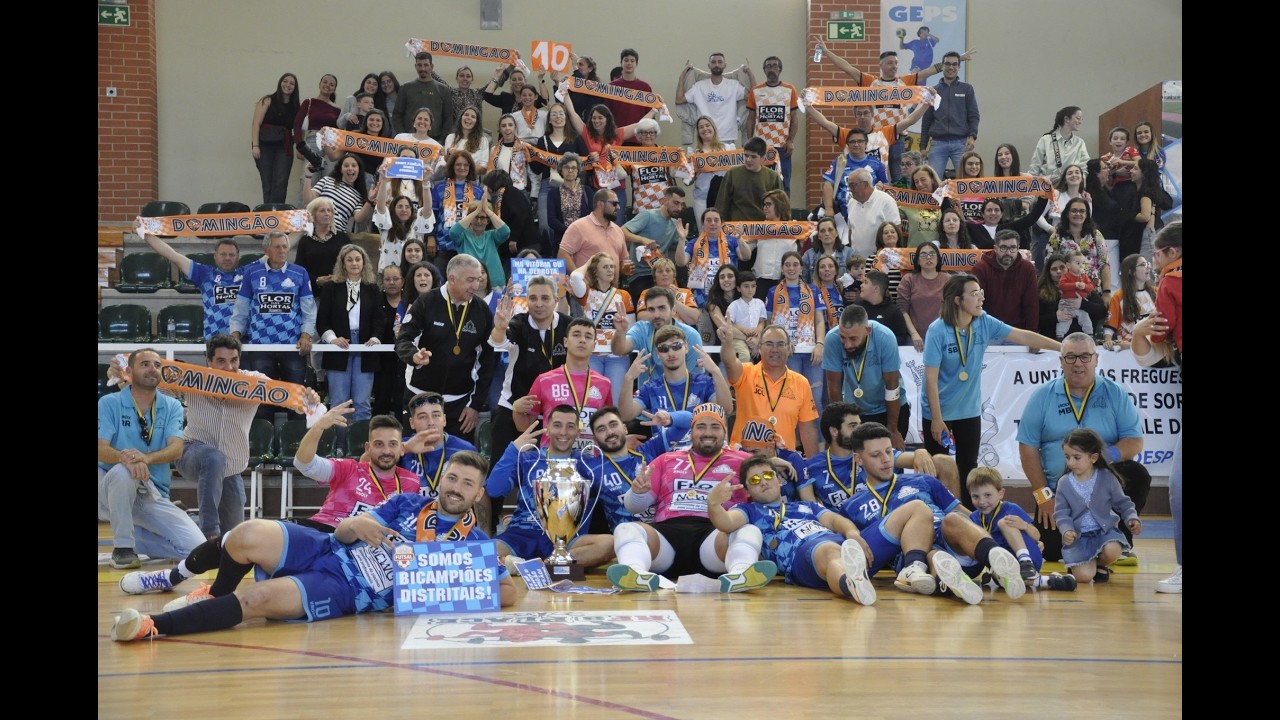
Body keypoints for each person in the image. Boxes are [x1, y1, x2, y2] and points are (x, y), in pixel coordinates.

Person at [110, 452, 513, 642]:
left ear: (479, 494)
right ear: (442, 480)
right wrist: (357, 525)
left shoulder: (475, 543)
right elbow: (345, 532)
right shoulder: (408, 502)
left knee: (256, 599)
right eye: (452, 479)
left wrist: (446, 582)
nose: (456, 488)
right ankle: (214, 593)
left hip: (344, 589)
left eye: (467, 484)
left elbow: (509, 590)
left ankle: (151, 626)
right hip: (327, 547)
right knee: (246, 533)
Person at [838, 422, 1026, 604]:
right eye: (876, 455)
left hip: (955, 542)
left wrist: (1007, 533)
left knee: (953, 519)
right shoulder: (852, 506)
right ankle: (955, 582)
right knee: (932, 554)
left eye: (888, 451)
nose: (886, 459)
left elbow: (967, 515)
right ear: (858, 459)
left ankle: (995, 556)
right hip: (913, 556)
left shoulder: (923, 480)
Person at [605, 403, 779, 592]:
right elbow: (633, 507)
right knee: (626, 529)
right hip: (666, 537)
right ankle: (635, 573)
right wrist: (637, 493)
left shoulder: (743, 460)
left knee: (749, 530)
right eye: (701, 426)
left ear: (724, 432)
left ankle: (740, 573)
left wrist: (779, 461)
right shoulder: (666, 459)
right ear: (691, 431)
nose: (708, 433)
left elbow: (765, 479)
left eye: (715, 427)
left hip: (715, 535)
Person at [924, 274, 1061, 507]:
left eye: (981, 293)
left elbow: (1021, 335)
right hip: (939, 411)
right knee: (938, 467)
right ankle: (938, 515)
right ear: (957, 300)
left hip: (968, 410)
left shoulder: (983, 321)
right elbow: (930, 379)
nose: (981, 299)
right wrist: (937, 419)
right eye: (974, 294)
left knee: (968, 466)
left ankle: (969, 516)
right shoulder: (937, 330)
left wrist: (1063, 347)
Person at [1016, 332, 1146, 562]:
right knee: (1052, 551)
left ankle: (1121, 541)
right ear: (1061, 361)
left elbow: (1134, 440)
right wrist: (1043, 496)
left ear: (1096, 359)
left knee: (1137, 475)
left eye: (1085, 356)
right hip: (1061, 491)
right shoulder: (1042, 396)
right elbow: (1027, 448)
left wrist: (1100, 459)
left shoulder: (1115, 393)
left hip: (1104, 485)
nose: (1078, 363)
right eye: (1071, 357)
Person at [707, 453, 877, 604]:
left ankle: (875, 573)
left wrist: (852, 533)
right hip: (801, 554)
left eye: (768, 475)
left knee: (890, 522)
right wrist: (713, 504)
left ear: (779, 480)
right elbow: (726, 523)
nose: (763, 482)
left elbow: (834, 520)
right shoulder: (749, 510)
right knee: (829, 552)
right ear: (747, 491)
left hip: (841, 543)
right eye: (755, 480)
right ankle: (852, 584)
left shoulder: (807, 505)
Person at [98, 348, 204, 569]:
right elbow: (101, 449)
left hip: (150, 492)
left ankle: (138, 540)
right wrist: (127, 458)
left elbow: (176, 449)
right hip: (107, 487)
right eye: (145, 364)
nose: (152, 369)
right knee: (123, 471)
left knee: (197, 549)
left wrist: (145, 459)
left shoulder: (172, 406)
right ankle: (123, 548)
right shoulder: (109, 403)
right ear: (129, 372)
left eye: (157, 365)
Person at [813, 41, 970, 180]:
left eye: (895, 63)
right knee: (873, 175)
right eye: (889, 63)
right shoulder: (870, 82)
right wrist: (826, 52)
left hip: (897, 137)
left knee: (899, 176)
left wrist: (959, 59)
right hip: (875, 138)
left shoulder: (905, 82)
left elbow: (929, 70)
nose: (894, 66)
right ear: (881, 65)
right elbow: (846, 67)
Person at [487, 404, 616, 567]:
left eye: (570, 426)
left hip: (567, 540)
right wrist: (513, 449)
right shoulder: (528, 459)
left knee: (610, 544)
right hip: (521, 534)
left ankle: (533, 565)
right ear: (547, 429)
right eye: (557, 425)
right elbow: (494, 489)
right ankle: (549, 566)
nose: (563, 432)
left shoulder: (588, 464)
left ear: (578, 432)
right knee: (482, 552)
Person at [487, 276, 572, 510]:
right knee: (499, 467)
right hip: (513, 406)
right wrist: (500, 327)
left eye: (545, 298)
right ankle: (489, 524)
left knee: (549, 472)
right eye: (533, 298)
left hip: (553, 414)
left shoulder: (568, 325)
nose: (539, 304)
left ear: (556, 300)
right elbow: (498, 343)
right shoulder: (519, 323)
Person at [395, 254, 495, 446]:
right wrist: (414, 356)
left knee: (459, 458)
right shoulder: (426, 302)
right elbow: (403, 340)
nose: (476, 286)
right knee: (417, 455)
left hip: (460, 403)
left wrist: (475, 404)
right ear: (452, 279)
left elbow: (487, 361)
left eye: (478, 279)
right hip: (420, 396)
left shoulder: (481, 310)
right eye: (470, 280)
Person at [290, 403, 422, 531]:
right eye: (379, 444)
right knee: (281, 530)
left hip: (369, 541)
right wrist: (318, 427)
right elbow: (304, 464)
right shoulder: (349, 469)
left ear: (402, 448)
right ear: (367, 448)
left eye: (393, 444)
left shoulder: (411, 482)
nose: (386, 451)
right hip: (325, 531)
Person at [229, 230, 316, 418]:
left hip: (292, 346)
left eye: (285, 247)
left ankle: (296, 436)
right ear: (266, 250)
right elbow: (241, 309)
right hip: (260, 346)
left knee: (297, 401)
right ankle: (263, 437)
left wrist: (306, 335)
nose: (282, 250)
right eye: (277, 247)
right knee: (262, 401)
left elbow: (309, 311)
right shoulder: (252, 273)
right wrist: (235, 336)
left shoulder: (300, 273)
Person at [618, 325, 732, 450]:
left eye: (676, 346)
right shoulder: (651, 388)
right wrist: (628, 379)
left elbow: (726, 409)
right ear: (658, 353)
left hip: (699, 453)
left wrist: (716, 371)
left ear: (686, 347)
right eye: (664, 348)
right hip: (665, 456)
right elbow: (626, 415)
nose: (671, 353)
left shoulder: (704, 383)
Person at [511, 318, 613, 453]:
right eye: (576, 335)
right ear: (565, 342)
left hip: (591, 460)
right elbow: (524, 426)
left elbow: (607, 426)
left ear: (594, 345)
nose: (582, 340)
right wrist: (516, 409)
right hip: (552, 459)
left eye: (588, 336)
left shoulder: (604, 384)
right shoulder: (544, 380)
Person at [966, 467, 1077, 591]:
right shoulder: (973, 518)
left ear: (1001, 493)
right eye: (975, 496)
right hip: (1006, 564)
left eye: (987, 495)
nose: (982, 501)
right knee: (1004, 578)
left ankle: (1025, 562)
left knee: (1005, 522)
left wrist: (1024, 525)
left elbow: (1037, 536)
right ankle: (1048, 581)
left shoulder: (1011, 508)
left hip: (1028, 556)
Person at [1055, 428, 1142, 585]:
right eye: (1067, 457)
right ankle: (1083, 565)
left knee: (1113, 550)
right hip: (1079, 538)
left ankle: (1100, 564)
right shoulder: (1064, 483)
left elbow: (1123, 503)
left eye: (1076, 457)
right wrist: (1066, 530)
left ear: (1093, 457)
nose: (1071, 463)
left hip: (1105, 532)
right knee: (1084, 578)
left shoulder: (1107, 477)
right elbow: (1061, 513)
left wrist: (1131, 517)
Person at [317, 244, 390, 429]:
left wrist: (375, 338)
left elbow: (380, 320)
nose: (354, 263)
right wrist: (332, 339)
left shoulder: (372, 288)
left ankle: (360, 444)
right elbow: (322, 320)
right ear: (343, 263)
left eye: (358, 259)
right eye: (349, 260)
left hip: (366, 347)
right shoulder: (331, 288)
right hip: (338, 346)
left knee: (362, 404)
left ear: (364, 262)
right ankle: (339, 445)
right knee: (339, 403)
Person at [719, 323, 821, 456]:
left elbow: (808, 430)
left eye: (780, 344)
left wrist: (813, 465)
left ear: (789, 348)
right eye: (769, 344)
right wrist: (727, 343)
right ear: (760, 348)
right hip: (745, 458)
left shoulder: (801, 383)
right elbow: (730, 362)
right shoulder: (746, 373)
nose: (775, 349)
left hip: (783, 460)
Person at [137, 223, 243, 340]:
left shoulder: (248, 274)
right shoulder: (205, 274)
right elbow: (173, 256)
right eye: (223, 254)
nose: (227, 258)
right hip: (214, 341)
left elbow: (262, 256)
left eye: (232, 255)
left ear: (238, 257)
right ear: (215, 256)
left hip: (242, 341)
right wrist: (144, 233)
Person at [822, 304, 907, 442]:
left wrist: (892, 429)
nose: (847, 344)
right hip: (855, 411)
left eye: (853, 338)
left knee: (886, 453)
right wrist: (840, 424)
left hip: (890, 408)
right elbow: (833, 386)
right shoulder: (832, 339)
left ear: (867, 331)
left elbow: (892, 386)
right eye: (843, 337)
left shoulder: (885, 337)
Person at [566, 252, 633, 404]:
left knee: (614, 402)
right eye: (605, 267)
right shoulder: (587, 292)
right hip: (592, 354)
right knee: (592, 402)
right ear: (595, 271)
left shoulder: (623, 295)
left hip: (617, 356)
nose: (610, 270)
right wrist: (590, 260)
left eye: (612, 266)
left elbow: (631, 328)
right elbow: (575, 277)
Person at [765, 251, 827, 408]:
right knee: (791, 400)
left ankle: (816, 426)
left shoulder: (813, 290)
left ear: (801, 268)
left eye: (795, 265)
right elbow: (768, 323)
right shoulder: (772, 291)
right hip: (787, 352)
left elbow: (819, 320)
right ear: (782, 268)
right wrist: (781, 342)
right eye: (787, 265)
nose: (791, 268)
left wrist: (820, 344)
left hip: (811, 352)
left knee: (814, 401)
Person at [611, 286, 706, 386]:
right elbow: (619, 350)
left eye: (661, 308)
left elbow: (693, 380)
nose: (656, 315)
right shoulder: (642, 329)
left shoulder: (691, 336)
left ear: (673, 310)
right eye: (651, 309)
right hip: (648, 393)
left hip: (683, 391)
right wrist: (620, 332)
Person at [920, 51, 979, 179]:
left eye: (954, 64)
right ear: (942, 66)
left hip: (961, 144)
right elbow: (927, 119)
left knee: (966, 181)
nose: (951, 67)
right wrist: (923, 146)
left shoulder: (967, 89)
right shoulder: (933, 91)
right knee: (933, 182)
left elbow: (974, 115)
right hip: (938, 144)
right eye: (947, 64)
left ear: (959, 67)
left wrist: (972, 136)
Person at [622, 186, 689, 298]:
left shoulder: (674, 224)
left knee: (683, 296)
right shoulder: (648, 215)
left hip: (663, 274)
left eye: (682, 204)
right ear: (665, 200)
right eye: (676, 203)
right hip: (642, 275)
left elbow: (687, 247)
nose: (679, 208)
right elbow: (621, 231)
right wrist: (642, 239)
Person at [745, 56, 799, 192]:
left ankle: (784, 207)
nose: (771, 69)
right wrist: (749, 141)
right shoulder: (756, 91)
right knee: (758, 183)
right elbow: (750, 118)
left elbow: (794, 118)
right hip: (760, 146)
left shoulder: (790, 89)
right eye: (768, 66)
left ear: (780, 69)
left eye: (775, 66)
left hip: (782, 146)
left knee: (783, 184)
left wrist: (791, 141)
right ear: (764, 70)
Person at [972, 229, 1039, 332]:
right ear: (995, 248)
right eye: (1003, 248)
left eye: (1012, 248)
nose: (1008, 252)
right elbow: (976, 304)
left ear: (1018, 248)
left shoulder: (1027, 269)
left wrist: (1032, 332)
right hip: (987, 329)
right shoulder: (981, 268)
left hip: (1018, 330)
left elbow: (1031, 303)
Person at [677, 53, 751, 145]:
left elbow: (753, 97)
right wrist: (682, 75)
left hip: (727, 138)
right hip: (705, 137)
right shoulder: (699, 86)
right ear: (709, 65)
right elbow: (679, 100)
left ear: (725, 65)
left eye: (720, 62)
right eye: (713, 62)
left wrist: (750, 73)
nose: (716, 64)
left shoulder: (734, 85)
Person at [677, 207, 747, 304]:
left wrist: (740, 238)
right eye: (708, 220)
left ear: (721, 223)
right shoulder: (694, 243)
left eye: (716, 220)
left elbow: (745, 256)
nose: (713, 223)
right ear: (702, 224)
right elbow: (681, 262)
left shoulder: (732, 241)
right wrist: (681, 239)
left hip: (728, 295)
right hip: (702, 296)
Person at [821, 131, 889, 230]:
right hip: (843, 216)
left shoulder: (877, 164)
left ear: (866, 144)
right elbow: (828, 184)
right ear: (847, 145)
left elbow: (886, 188)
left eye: (860, 141)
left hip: (871, 215)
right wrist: (829, 208)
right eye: (852, 142)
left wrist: (880, 188)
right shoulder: (840, 162)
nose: (856, 144)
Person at [250, 72, 299, 204]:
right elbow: (256, 123)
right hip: (264, 145)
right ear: (280, 83)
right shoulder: (267, 100)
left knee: (281, 182)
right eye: (285, 81)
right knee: (267, 183)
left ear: (295, 88)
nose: (288, 85)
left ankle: (277, 212)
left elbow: (299, 128)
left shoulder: (296, 106)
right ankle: (268, 212)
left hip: (284, 147)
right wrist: (255, 146)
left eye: (292, 83)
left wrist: (299, 144)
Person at [433, 150, 485, 265]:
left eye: (466, 165)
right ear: (452, 166)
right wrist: (430, 238)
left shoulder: (478, 191)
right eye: (458, 164)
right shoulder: (439, 188)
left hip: (469, 245)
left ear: (470, 167)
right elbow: (433, 216)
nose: (462, 167)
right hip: (444, 244)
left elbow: (481, 219)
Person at [897, 240, 950, 352]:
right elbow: (902, 310)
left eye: (932, 253)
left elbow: (953, 309)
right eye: (923, 254)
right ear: (917, 260)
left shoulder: (948, 280)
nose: (928, 257)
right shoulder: (909, 279)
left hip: (943, 336)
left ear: (938, 258)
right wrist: (914, 334)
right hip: (915, 338)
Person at [303, 153, 375, 235]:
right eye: (346, 166)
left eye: (354, 166)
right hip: (315, 229)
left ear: (359, 170)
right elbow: (308, 200)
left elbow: (358, 219)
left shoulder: (358, 196)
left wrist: (369, 200)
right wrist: (308, 176)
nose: (350, 168)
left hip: (336, 234)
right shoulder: (327, 180)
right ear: (341, 169)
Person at [559, 188, 627, 273]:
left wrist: (625, 267)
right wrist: (578, 277)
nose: (618, 207)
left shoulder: (618, 230)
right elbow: (562, 255)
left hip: (613, 282)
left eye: (618, 204)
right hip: (586, 281)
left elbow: (623, 260)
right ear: (600, 204)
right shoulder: (578, 227)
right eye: (614, 204)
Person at [718, 137, 785, 222]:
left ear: (763, 158)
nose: (748, 160)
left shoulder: (773, 177)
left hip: (763, 226)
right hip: (737, 225)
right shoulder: (732, 173)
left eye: (753, 157)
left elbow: (780, 207)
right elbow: (722, 204)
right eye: (746, 155)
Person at [393, 52, 454, 144]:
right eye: (419, 65)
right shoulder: (405, 88)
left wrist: (441, 141)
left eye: (426, 65)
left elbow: (448, 118)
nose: (423, 68)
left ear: (432, 66)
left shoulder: (443, 90)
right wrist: (403, 137)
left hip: (435, 140)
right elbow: (397, 115)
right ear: (415, 66)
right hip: (408, 140)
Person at [450, 197, 510, 290]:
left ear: (488, 220)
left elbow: (505, 231)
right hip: (469, 284)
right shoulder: (463, 236)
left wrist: (487, 210)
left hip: (494, 283)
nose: (479, 221)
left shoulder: (492, 235)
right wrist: (476, 211)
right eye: (475, 217)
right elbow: (453, 232)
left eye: (482, 218)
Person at [293, 74, 342, 186]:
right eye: (325, 82)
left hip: (331, 144)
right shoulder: (309, 102)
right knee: (309, 179)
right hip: (313, 142)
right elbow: (297, 124)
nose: (327, 85)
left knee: (329, 181)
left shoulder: (338, 109)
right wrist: (299, 146)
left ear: (334, 89)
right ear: (319, 84)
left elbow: (340, 130)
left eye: (331, 84)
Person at [1102, 254, 1157, 352]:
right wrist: (1108, 340)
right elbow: (1110, 325)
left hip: (1154, 347)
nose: (1148, 267)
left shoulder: (1157, 292)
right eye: (1142, 265)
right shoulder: (1119, 296)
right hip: (1127, 349)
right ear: (1131, 271)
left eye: (1147, 264)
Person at [685, 115, 734, 221]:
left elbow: (735, 173)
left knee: (725, 228)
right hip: (702, 198)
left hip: (724, 197)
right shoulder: (693, 153)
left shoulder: (728, 149)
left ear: (713, 128)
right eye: (701, 127)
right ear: (698, 132)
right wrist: (690, 169)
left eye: (707, 125)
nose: (705, 129)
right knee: (704, 229)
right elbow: (687, 182)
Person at [373, 188, 435, 273]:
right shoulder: (386, 224)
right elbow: (380, 206)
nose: (404, 210)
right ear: (393, 209)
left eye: (407, 207)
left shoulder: (417, 225)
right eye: (400, 207)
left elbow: (427, 209)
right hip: (389, 275)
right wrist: (383, 182)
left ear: (412, 210)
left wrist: (426, 185)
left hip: (413, 274)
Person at [1028, 106, 1090, 185]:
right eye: (1078, 118)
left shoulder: (1079, 143)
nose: (1080, 122)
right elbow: (1035, 167)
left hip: (1070, 187)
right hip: (1046, 186)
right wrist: (1031, 186)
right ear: (1066, 119)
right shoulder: (1046, 140)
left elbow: (1084, 167)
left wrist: (1081, 185)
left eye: (1081, 119)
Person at [546, 153, 592, 256]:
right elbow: (551, 220)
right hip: (562, 240)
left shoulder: (587, 191)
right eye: (566, 167)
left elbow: (592, 215)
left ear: (578, 171)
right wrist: (570, 231)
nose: (570, 171)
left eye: (573, 168)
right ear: (561, 170)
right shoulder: (553, 193)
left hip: (585, 240)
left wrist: (580, 232)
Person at [1148, 221, 1182, 359]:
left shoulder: (1170, 281)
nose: (1155, 259)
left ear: (1172, 252)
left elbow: (1165, 322)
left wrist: (1155, 339)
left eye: (1157, 254)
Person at [607, 49, 655, 140]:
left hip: (639, 138)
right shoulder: (611, 86)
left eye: (632, 61)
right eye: (626, 60)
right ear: (621, 63)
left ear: (636, 64)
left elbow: (650, 115)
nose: (629, 63)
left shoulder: (645, 87)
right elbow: (606, 113)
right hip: (616, 137)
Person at [636, 258, 700, 326]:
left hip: (680, 331)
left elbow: (694, 319)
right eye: (660, 271)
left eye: (668, 271)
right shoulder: (647, 293)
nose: (664, 274)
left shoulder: (686, 292)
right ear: (654, 278)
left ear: (674, 276)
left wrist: (673, 300)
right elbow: (641, 318)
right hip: (656, 331)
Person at [856, 270, 910, 346]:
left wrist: (880, 341)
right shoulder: (856, 308)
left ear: (876, 289)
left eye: (866, 282)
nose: (861, 285)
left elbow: (901, 338)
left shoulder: (894, 311)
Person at [1055, 250, 1096, 340]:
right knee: (1064, 320)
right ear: (1069, 265)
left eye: (1083, 263)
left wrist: (1084, 286)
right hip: (1067, 303)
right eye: (1078, 263)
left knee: (1086, 320)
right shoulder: (1065, 276)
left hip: (1081, 305)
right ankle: (1059, 336)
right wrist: (1075, 285)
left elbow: (1091, 287)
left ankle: (1090, 335)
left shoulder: (1084, 276)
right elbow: (1061, 285)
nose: (1081, 266)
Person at [444, 105, 492, 174]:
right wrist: (449, 155)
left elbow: (483, 168)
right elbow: (447, 163)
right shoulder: (450, 137)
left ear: (477, 122)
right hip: (452, 178)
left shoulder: (483, 140)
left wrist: (464, 169)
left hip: (472, 179)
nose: (469, 118)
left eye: (473, 117)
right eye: (466, 115)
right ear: (461, 118)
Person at [802, 216, 852, 281]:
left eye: (830, 230)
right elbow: (803, 280)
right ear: (818, 236)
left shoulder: (849, 253)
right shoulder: (808, 255)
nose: (827, 233)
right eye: (822, 231)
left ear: (836, 233)